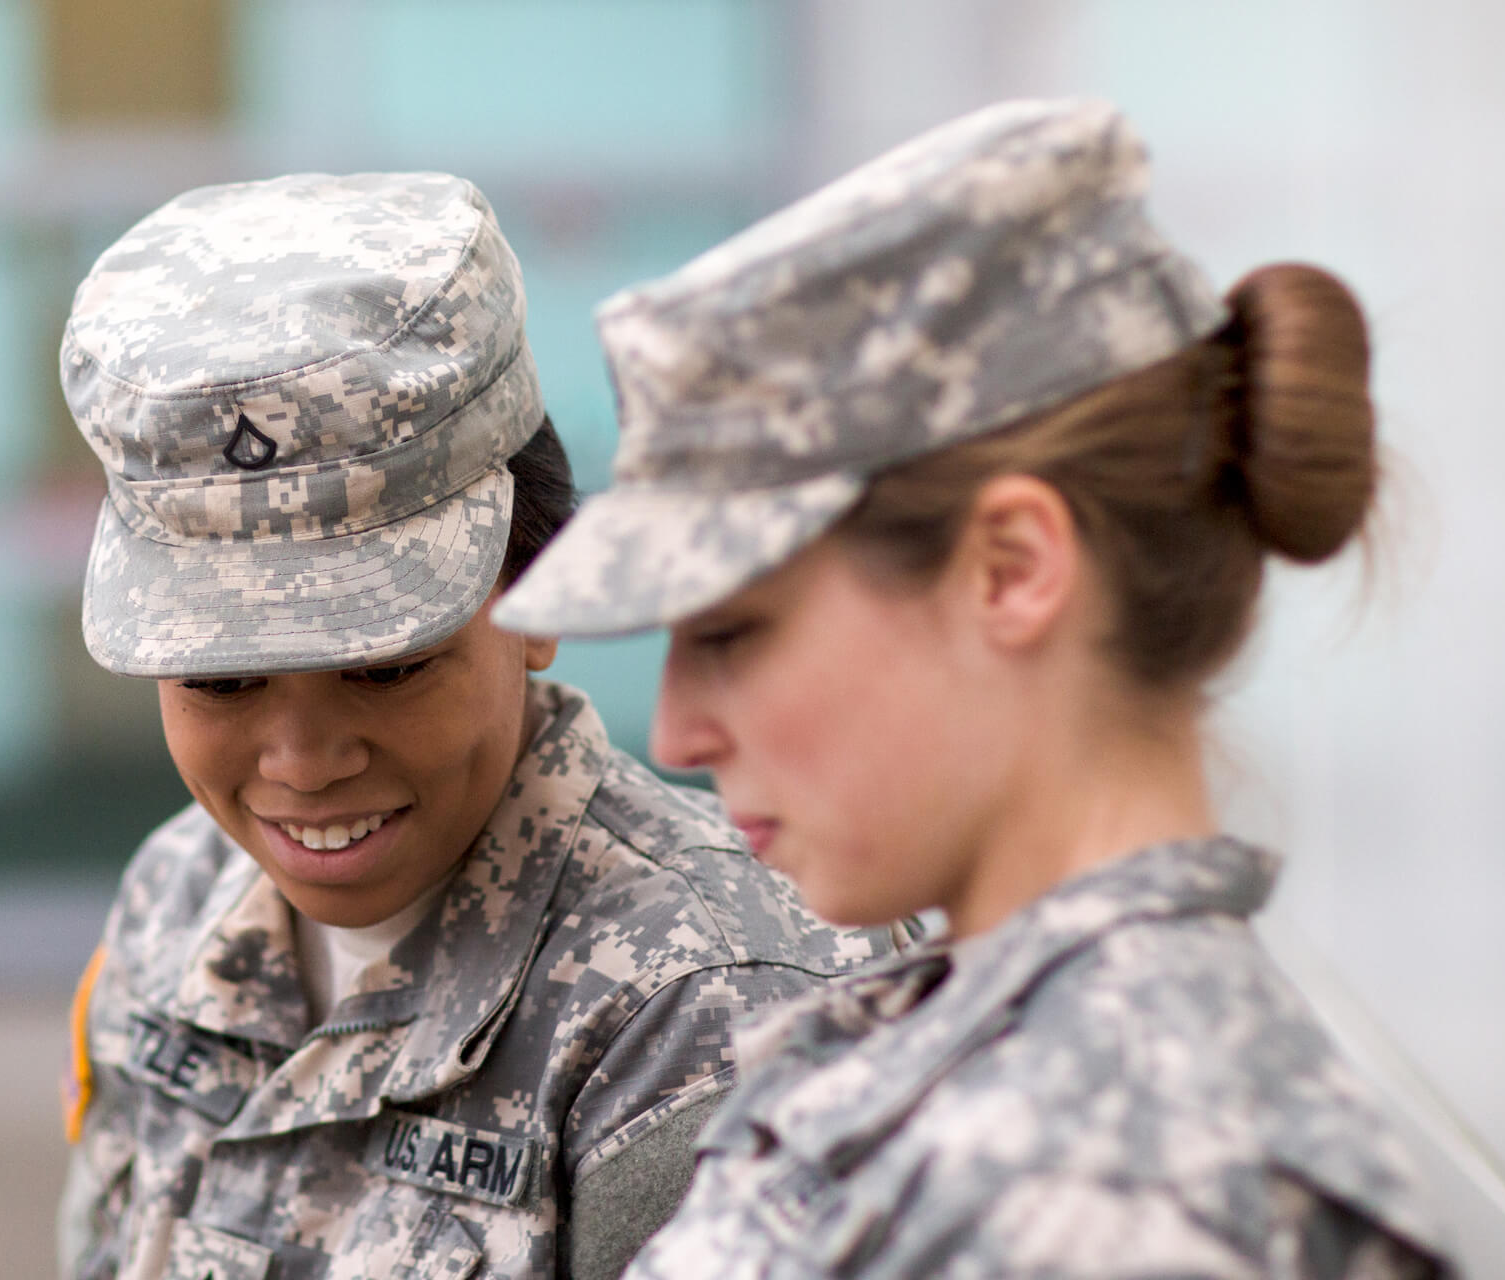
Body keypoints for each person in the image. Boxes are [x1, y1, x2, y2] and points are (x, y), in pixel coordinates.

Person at [493, 100, 1453, 1277]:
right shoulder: (969, 1048)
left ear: (1011, 569)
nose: (682, 729)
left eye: (735, 632)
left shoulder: (1146, 1188)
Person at [54, 171, 901, 1280]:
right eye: (222, 681)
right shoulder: (175, 903)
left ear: (536, 591)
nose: (303, 762)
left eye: (386, 666)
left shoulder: (712, 1006)